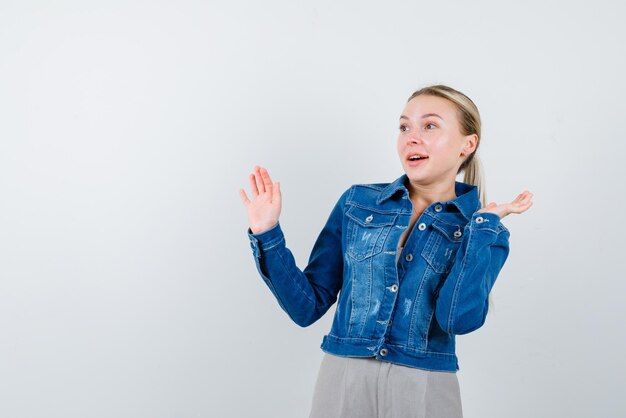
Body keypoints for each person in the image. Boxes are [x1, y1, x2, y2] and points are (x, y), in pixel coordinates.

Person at [239, 84, 533, 418]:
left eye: (430, 126)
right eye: (404, 127)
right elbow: (306, 307)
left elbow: (457, 319)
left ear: (468, 144)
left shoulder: (482, 231)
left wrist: (481, 228)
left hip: (424, 383)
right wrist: (267, 234)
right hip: (343, 376)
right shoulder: (357, 202)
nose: (412, 137)